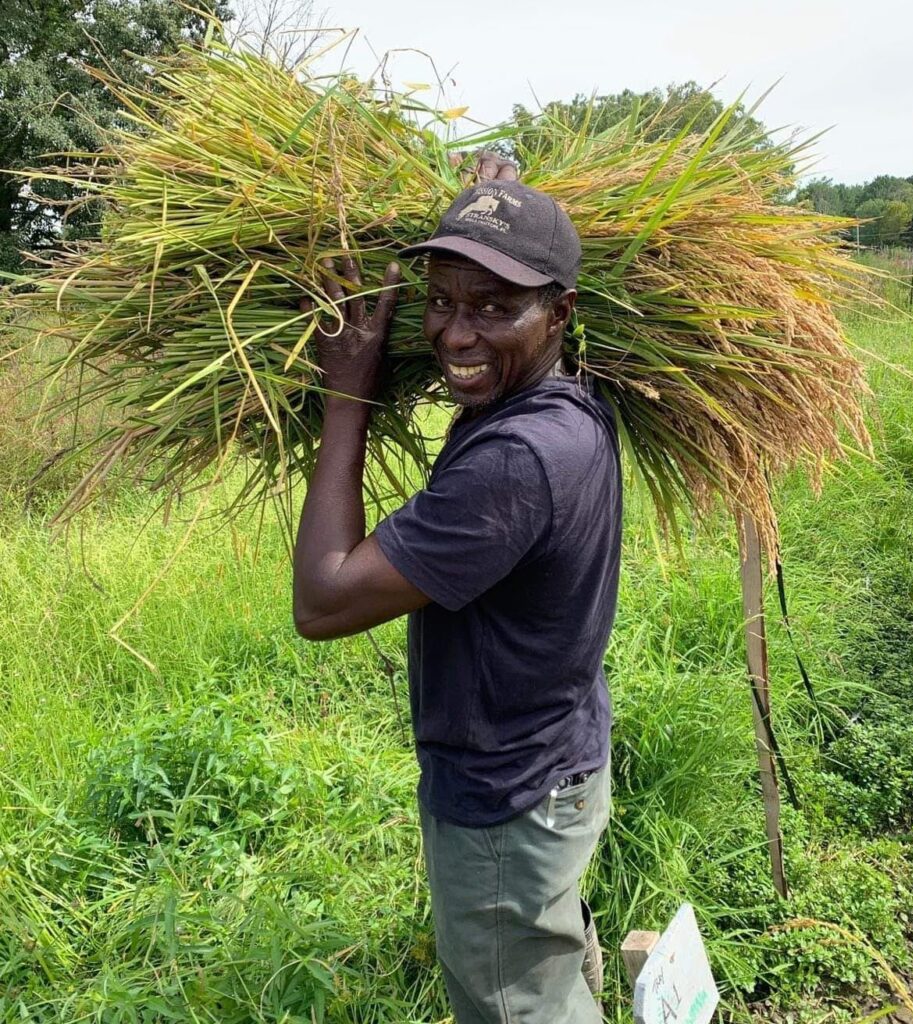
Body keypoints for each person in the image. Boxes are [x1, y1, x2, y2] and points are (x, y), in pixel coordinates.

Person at [292, 156, 622, 1023]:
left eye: (493, 308)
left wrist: (345, 398)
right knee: (546, 962)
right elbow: (496, 312)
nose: (454, 334)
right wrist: (492, 197)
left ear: (560, 313)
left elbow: (322, 603)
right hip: (559, 752)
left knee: (515, 1005)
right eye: (439, 300)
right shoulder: (566, 400)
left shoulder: (515, 462)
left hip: (507, 794)